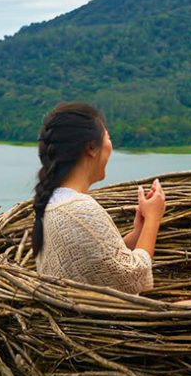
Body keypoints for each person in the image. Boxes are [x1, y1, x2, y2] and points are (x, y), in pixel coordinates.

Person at [32, 102, 165, 295]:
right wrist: (153, 218)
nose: (110, 145)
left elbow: (102, 262)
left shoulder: (52, 203)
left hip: (76, 322)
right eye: (108, 138)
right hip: (110, 323)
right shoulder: (79, 209)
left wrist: (139, 231)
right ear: (92, 148)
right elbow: (133, 278)